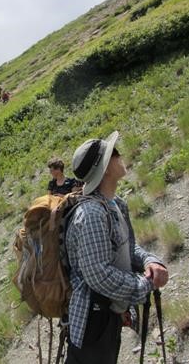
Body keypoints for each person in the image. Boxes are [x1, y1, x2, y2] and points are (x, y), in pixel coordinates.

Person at [64, 131, 168, 364]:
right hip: (92, 321)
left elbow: (126, 248)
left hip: (109, 313)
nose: (121, 156)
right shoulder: (91, 215)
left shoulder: (115, 204)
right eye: (115, 153)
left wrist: (149, 261)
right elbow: (97, 274)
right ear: (105, 168)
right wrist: (145, 284)